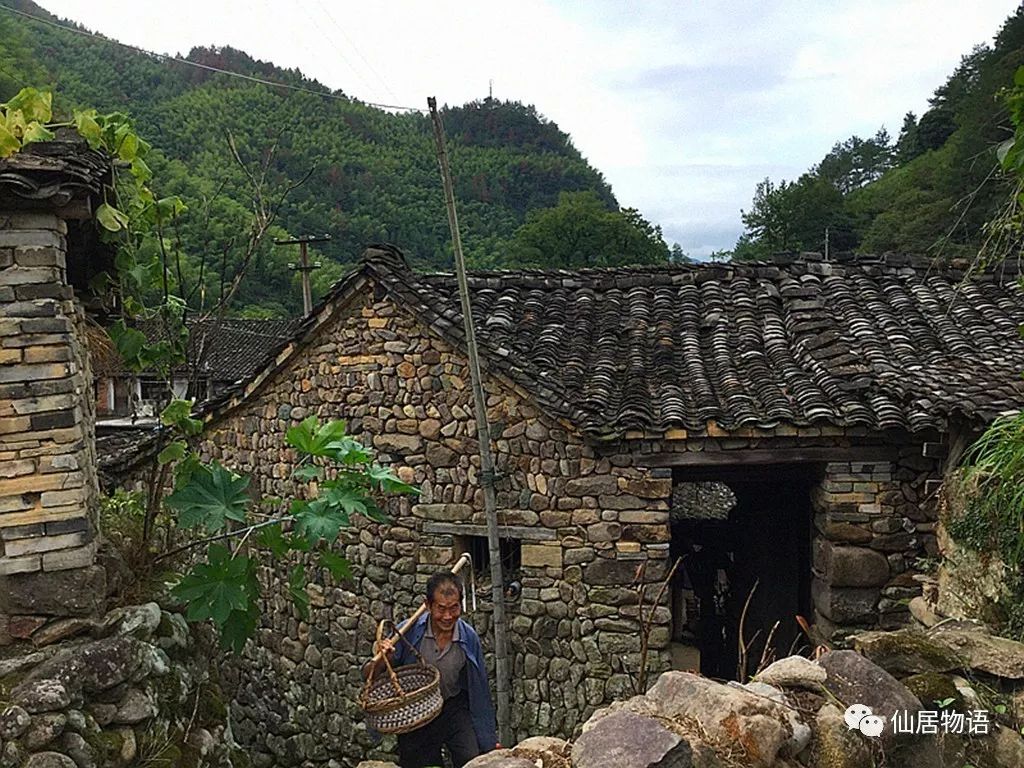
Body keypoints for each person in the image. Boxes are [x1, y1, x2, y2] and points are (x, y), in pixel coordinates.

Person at [365, 572, 498, 768]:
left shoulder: (468, 638)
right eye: (441, 608)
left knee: (471, 759)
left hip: (453, 707)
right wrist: (385, 659)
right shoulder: (406, 632)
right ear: (427, 605)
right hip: (416, 713)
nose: (447, 616)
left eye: (454, 608)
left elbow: (479, 689)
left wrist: (488, 740)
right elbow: (367, 674)